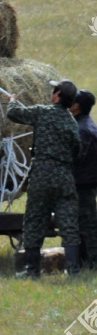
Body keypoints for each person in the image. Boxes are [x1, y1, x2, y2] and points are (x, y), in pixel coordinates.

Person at [7, 78, 81, 278]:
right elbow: (77, 150)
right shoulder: (71, 122)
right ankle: (73, 270)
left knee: (34, 222)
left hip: (41, 175)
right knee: (68, 224)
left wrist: (12, 99)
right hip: (64, 177)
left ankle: (32, 271)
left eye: (53, 90)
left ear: (57, 95)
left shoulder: (43, 112)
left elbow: (13, 113)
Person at [70, 89, 97, 269]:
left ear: (77, 106)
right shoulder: (86, 124)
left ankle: (93, 262)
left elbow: (75, 158)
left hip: (83, 185)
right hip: (86, 183)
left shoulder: (82, 130)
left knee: (86, 226)